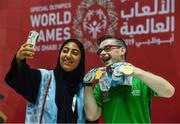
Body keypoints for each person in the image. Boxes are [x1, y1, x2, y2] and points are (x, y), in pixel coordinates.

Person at [83, 35, 175, 123]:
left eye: (107, 48)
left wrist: (134, 71)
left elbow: (169, 92)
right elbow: (92, 116)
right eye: (100, 51)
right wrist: (87, 84)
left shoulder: (140, 78)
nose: (102, 53)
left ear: (122, 50)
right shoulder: (101, 86)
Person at [4, 38, 86, 123]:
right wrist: (19, 59)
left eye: (75, 53)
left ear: (81, 60)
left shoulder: (85, 90)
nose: (68, 56)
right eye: (65, 51)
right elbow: (22, 78)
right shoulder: (43, 79)